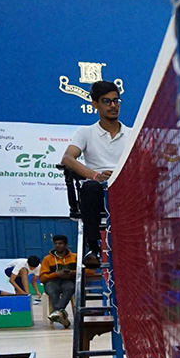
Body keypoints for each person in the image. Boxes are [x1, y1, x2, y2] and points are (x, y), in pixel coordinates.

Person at [57, 80, 126, 261]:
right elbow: (67, 159)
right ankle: (94, 249)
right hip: (98, 194)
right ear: (94, 104)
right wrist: (96, 176)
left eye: (116, 101)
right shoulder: (85, 132)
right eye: (106, 101)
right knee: (89, 187)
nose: (113, 105)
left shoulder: (132, 134)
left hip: (126, 191)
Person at [39, 235, 77, 328]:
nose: (57, 245)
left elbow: (88, 271)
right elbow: (42, 278)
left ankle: (57, 313)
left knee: (70, 288)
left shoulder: (75, 257)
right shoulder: (47, 259)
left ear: (66, 245)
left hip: (67, 280)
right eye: (55, 244)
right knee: (52, 290)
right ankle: (61, 314)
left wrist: (72, 272)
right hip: (51, 281)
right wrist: (56, 274)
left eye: (60, 243)